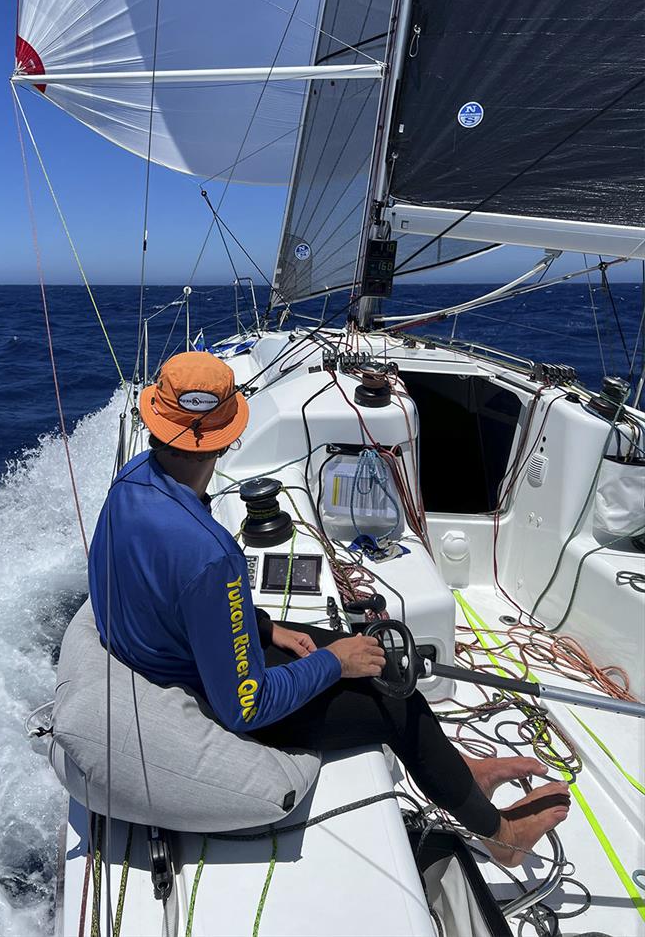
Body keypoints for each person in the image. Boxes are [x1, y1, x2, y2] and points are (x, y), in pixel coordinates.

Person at [88, 352, 569, 866]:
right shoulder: (209, 553)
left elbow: (172, 592)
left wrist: (267, 629)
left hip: (177, 649)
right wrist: (333, 662)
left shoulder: (132, 481)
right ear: (228, 437)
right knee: (395, 702)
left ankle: (459, 772)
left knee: (379, 659)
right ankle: (504, 839)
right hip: (205, 690)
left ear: (155, 424)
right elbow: (243, 707)